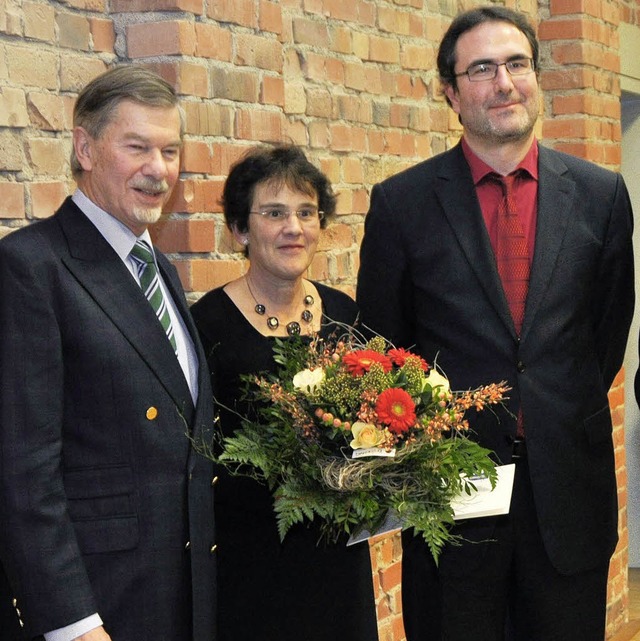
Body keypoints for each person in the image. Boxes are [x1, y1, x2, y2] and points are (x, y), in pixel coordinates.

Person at [356, 6, 635, 641]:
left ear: (536, 77)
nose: (504, 82)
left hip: (568, 487)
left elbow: (604, 335)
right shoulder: (402, 204)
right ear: (452, 94)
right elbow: (384, 349)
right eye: (481, 69)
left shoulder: (600, 195)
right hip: (452, 496)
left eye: (516, 64)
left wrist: (549, 399)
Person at [0, 66, 216, 641]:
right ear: (85, 147)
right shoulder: (30, 267)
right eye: (138, 147)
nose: (159, 169)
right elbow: (24, 470)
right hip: (99, 611)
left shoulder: (160, 270)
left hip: (179, 600)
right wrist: (72, 623)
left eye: (170, 150)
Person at [190, 144, 378, 641]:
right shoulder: (206, 325)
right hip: (250, 561)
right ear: (241, 230)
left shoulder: (344, 315)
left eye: (306, 212)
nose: (294, 227)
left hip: (339, 559)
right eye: (274, 213)